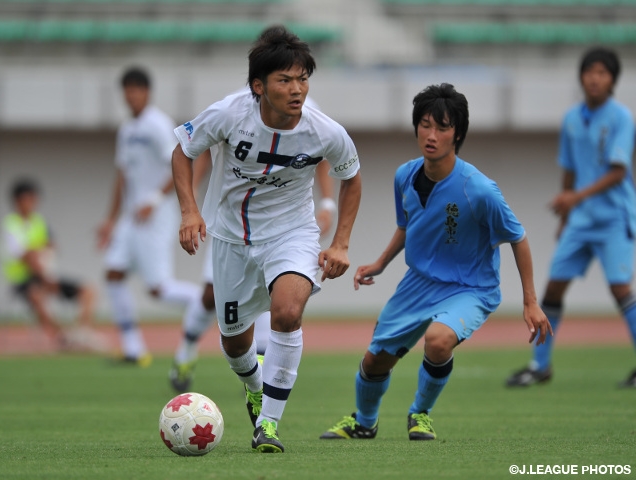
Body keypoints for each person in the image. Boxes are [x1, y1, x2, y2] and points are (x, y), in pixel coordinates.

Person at [320, 83, 551, 442]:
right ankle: (364, 423)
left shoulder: (480, 190)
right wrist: (380, 263)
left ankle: (420, 414)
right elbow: (407, 226)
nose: (431, 135)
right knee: (374, 361)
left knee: (438, 340)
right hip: (419, 284)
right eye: (425, 125)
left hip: (471, 288)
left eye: (442, 127)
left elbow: (518, 238)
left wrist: (530, 302)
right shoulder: (405, 176)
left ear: (457, 134)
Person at [171, 25, 362, 453]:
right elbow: (184, 150)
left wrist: (340, 243)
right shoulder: (228, 114)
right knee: (235, 342)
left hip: (291, 233)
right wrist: (189, 210)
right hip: (231, 239)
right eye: (285, 80)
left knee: (288, 312)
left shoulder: (325, 131)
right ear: (259, 86)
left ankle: (268, 425)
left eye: (303, 79)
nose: (297, 89)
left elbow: (352, 178)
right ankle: (254, 387)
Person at [506, 47, 636, 388]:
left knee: (621, 289)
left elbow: (618, 171)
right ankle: (540, 365)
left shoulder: (621, 117)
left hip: (613, 218)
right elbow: (569, 168)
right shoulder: (572, 119)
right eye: (589, 71)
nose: (595, 78)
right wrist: (566, 214)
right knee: (553, 288)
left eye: (602, 72)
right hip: (580, 219)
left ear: (613, 80)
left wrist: (573, 197)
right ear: (581, 77)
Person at [169, 149, 336, 392]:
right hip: (232, 223)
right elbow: (203, 147)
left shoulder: (310, 116)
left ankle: (259, 385)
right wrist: (191, 197)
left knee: (277, 293)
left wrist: (328, 203)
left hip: (282, 228)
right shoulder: (235, 112)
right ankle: (186, 351)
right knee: (210, 295)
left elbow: (322, 155)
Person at [97, 67, 209, 367]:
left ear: (147, 92)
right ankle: (134, 349)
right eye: (127, 90)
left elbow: (179, 164)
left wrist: (156, 198)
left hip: (157, 215)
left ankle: (208, 302)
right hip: (131, 219)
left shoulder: (158, 125)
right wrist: (110, 219)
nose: (131, 96)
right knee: (113, 274)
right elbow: (122, 177)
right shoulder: (127, 129)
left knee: (158, 288)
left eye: (136, 89)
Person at [0, 179, 97, 348]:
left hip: (47, 275)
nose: (30, 203)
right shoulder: (10, 224)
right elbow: (24, 256)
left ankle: (82, 334)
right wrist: (37, 256)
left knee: (88, 291)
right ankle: (63, 338)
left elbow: (51, 247)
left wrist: (40, 260)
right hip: (22, 280)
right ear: (16, 201)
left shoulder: (40, 222)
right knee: (36, 295)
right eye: (25, 199)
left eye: (33, 199)